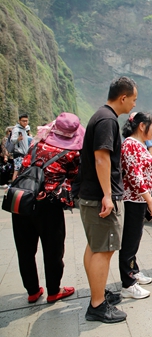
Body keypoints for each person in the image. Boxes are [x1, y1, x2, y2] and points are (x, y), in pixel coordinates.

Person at [80, 76, 138, 323]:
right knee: (105, 249)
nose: (134, 105)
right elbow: (101, 158)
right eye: (133, 100)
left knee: (95, 247)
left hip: (90, 195)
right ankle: (97, 305)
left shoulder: (100, 116)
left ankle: (98, 292)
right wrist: (107, 196)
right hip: (100, 196)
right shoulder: (107, 120)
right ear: (123, 98)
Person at [11, 112, 83, 304]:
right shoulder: (72, 154)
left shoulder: (36, 144)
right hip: (48, 204)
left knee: (25, 249)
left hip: (23, 197)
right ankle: (53, 291)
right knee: (53, 249)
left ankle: (33, 291)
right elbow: (74, 177)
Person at [119, 112, 152, 299]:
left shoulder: (139, 145)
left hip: (139, 200)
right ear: (142, 126)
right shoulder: (130, 145)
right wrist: (150, 200)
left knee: (135, 238)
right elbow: (135, 176)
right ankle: (128, 284)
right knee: (129, 241)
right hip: (132, 200)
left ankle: (133, 271)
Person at [11, 114, 30, 181]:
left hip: (24, 153)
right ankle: (12, 186)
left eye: (26, 121)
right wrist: (18, 139)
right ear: (19, 121)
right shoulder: (16, 129)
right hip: (18, 153)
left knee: (21, 171)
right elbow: (12, 140)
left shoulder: (24, 129)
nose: (25, 122)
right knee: (17, 170)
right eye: (23, 121)